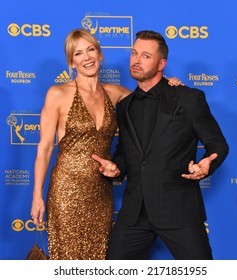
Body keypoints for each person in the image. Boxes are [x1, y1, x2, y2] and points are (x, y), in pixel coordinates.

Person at [30, 28, 182, 260]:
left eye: (91, 50)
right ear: (71, 61)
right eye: (78, 53)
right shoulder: (57, 94)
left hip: (101, 192)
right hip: (66, 192)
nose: (87, 57)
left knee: (99, 258)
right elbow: (45, 148)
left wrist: (169, 85)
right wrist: (37, 195)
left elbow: (150, 95)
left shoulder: (115, 93)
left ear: (100, 54)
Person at [92, 30, 229, 260]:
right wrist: (115, 169)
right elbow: (126, 153)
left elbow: (218, 144)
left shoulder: (188, 98)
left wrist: (207, 164)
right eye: (134, 53)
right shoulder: (125, 107)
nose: (136, 60)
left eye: (145, 56)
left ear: (161, 63)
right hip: (135, 213)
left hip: (178, 210)